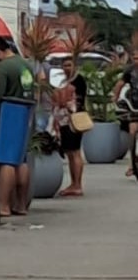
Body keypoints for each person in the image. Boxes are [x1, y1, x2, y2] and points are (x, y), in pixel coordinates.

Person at [0, 37, 35, 217]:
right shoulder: (25, 65)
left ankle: (4, 205)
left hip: (9, 110)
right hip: (26, 109)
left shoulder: (3, 68)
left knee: (7, 160)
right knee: (22, 160)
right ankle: (21, 204)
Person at [55, 56, 88, 196]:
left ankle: (77, 184)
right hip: (64, 120)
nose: (66, 68)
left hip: (73, 119)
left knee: (75, 152)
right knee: (70, 152)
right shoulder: (64, 80)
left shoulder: (77, 81)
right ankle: (74, 183)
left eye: (69, 65)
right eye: (64, 65)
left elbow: (70, 101)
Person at [112, 48, 138, 178]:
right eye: (135, 58)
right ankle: (132, 165)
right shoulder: (130, 70)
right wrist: (115, 98)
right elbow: (120, 84)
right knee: (132, 131)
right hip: (134, 104)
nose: (136, 60)